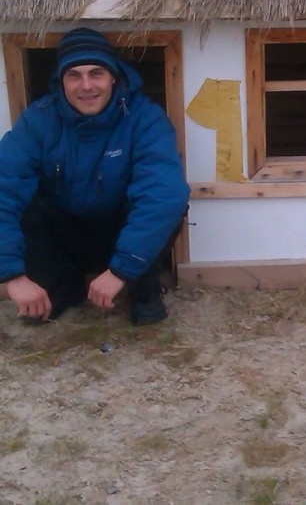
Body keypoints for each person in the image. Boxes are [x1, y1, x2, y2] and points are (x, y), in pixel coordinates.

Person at [0, 27, 190, 325]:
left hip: (120, 228)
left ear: (114, 76)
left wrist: (121, 271)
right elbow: (3, 186)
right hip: (67, 230)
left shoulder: (144, 118)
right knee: (28, 204)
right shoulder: (39, 120)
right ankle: (63, 284)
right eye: (74, 75)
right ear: (60, 81)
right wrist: (11, 274)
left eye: (96, 73)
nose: (86, 85)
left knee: (170, 205)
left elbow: (163, 193)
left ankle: (143, 290)